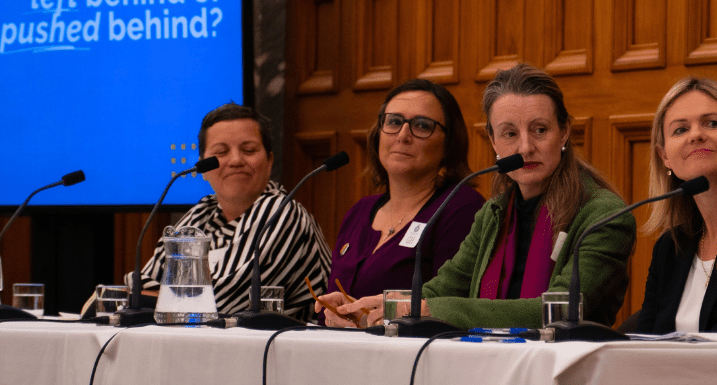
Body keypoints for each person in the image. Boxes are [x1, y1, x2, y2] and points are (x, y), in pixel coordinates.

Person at [321, 63, 636, 329]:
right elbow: (443, 287)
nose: (525, 147)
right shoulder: (495, 213)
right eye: (510, 133)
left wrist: (429, 310)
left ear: (565, 131)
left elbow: (557, 312)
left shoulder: (603, 216)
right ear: (493, 140)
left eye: (540, 130)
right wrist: (370, 308)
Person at [132, 103, 331, 322]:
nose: (236, 161)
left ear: (269, 161)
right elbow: (139, 287)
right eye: (221, 152)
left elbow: (223, 304)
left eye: (249, 150)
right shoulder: (199, 215)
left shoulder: (284, 213)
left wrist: (166, 300)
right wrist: (164, 300)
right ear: (203, 169)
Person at [316, 79, 484, 325]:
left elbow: (450, 308)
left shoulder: (460, 207)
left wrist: (369, 323)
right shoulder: (359, 212)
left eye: (422, 125)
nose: (403, 135)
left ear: (449, 144)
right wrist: (340, 313)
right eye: (394, 122)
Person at [635, 77, 717, 334]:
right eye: (680, 130)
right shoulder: (670, 247)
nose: (696, 135)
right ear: (665, 156)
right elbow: (645, 341)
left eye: (712, 123)